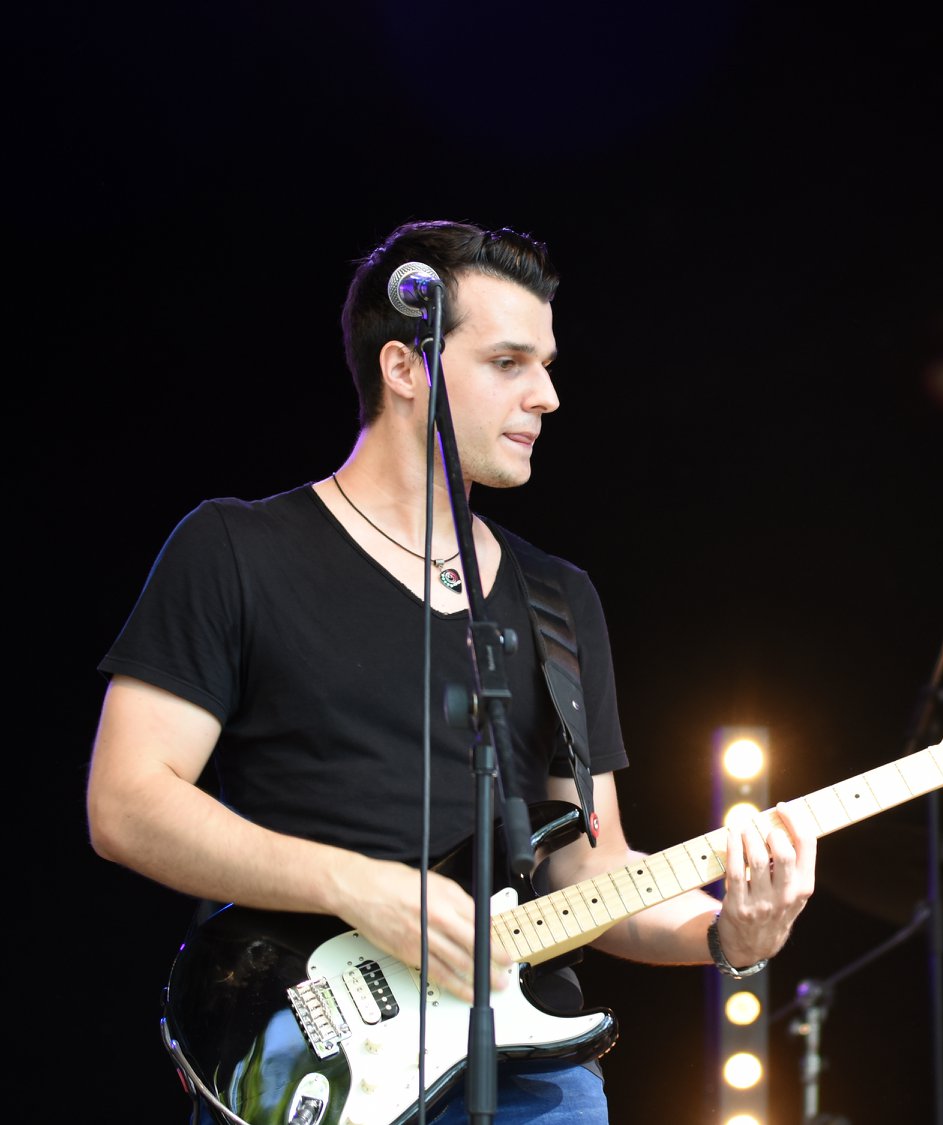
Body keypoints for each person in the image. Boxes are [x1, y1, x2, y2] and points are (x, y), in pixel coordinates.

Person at [85, 218, 817, 1124]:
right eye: (509, 363)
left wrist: (725, 934)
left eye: (546, 365)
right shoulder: (236, 548)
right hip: (316, 1051)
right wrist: (357, 884)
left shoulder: (558, 598)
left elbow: (589, 872)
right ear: (404, 367)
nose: (547, 395)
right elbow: (126, 803)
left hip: (532, 1071)